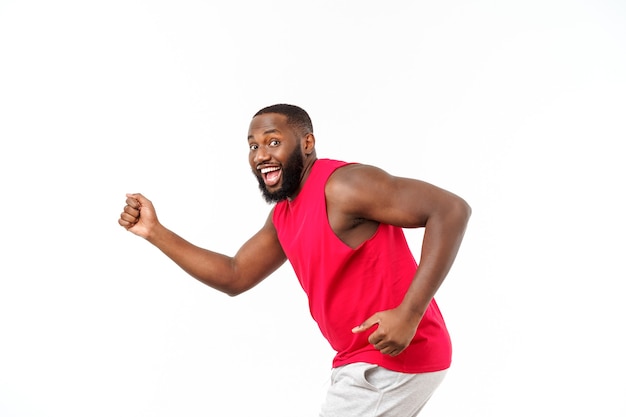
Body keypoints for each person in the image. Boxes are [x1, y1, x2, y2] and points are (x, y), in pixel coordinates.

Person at [118, 103, 471, 416]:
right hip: (359, 359)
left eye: (273, 141)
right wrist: (155, 231)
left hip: (391, 361)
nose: (260, 154)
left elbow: (450, 210)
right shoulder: (284, 216)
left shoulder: (345, 185)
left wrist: (409, 315)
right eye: (253, 146)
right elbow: (235, 274)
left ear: (307, 143)